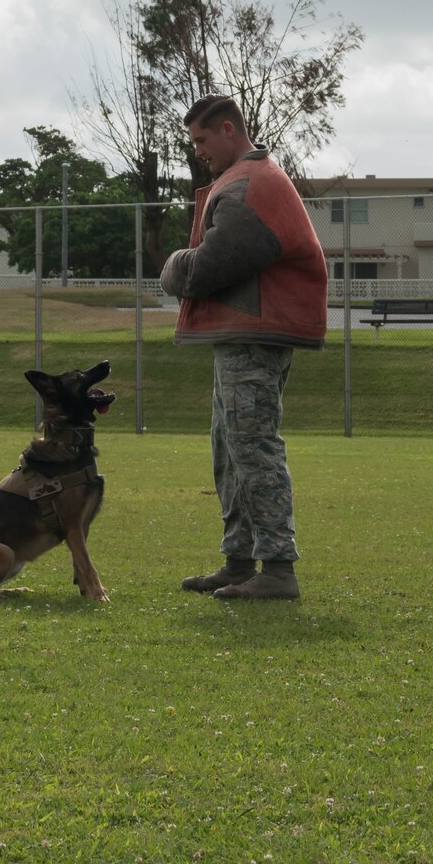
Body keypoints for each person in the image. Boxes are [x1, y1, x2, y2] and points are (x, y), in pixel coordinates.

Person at [159, 95, 328, 602]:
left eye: (202, 140)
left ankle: (278, 568)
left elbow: (212, 264)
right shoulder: (248, 181)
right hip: (244, 332)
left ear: (229, 130)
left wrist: (172, 265)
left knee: (252, 447)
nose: (198, 152)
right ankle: (239, 560)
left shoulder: (250, 184)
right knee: (230, 447)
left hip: (255, 334)